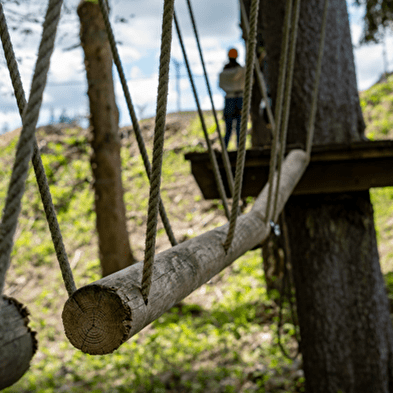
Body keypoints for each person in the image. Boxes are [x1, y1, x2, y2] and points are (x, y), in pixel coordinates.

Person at [219, 48, 246, 149]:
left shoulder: (224, 72)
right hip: (239, 98)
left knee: (229, 127)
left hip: (230, 98)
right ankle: (239, 148)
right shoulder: (241, 70)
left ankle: (225, 147)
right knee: (239, 126)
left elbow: (221, 84)